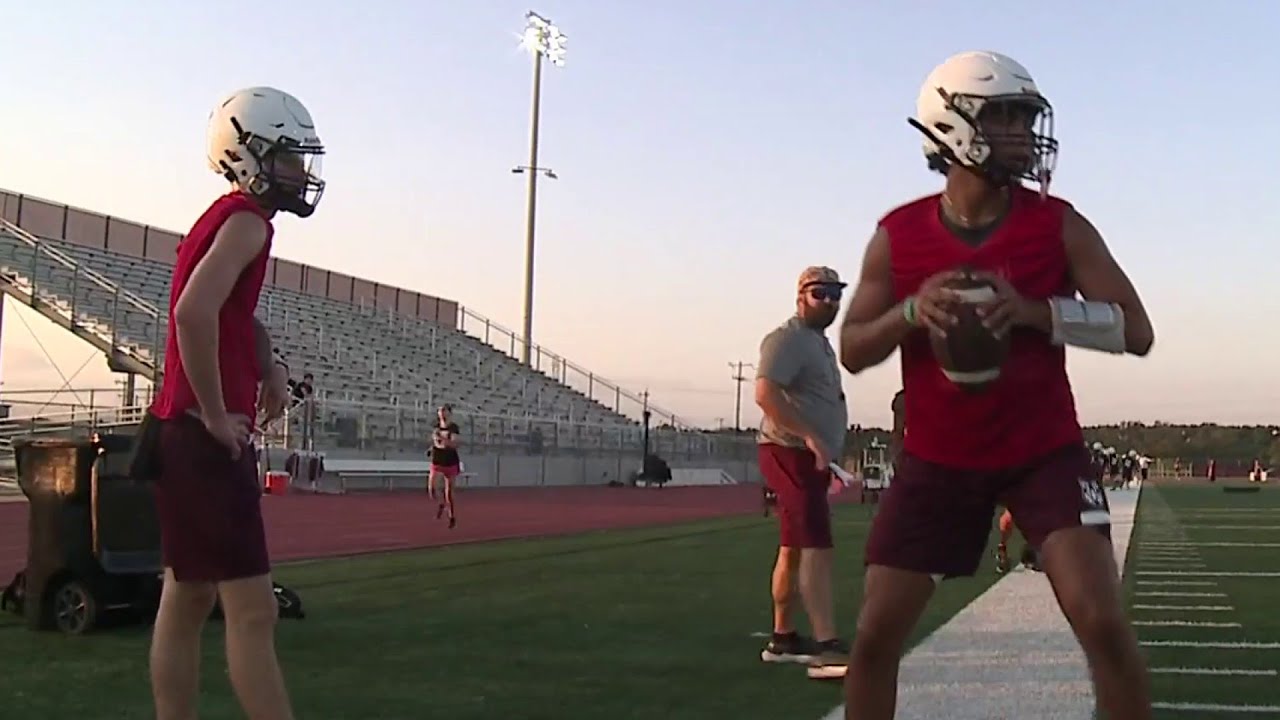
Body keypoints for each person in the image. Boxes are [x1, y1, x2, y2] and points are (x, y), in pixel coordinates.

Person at [837, 51, 1155, 719]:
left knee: (1102, 622)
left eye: (1025, 117)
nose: (1024, 134)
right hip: (937, 458)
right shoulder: (898, 236)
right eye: (1008, 116)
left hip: (1044, 449)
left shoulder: (1058, 223)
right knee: (873, 638)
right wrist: (913, 310)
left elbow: (1138, 329)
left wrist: (1037, 312)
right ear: (955, 126)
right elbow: (854, 349)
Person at [146, 86, 325, 720]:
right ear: (246, 154)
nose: (300, 172)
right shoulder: (248, 222)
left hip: (176, 434)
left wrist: (269, 364)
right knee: (252, 610)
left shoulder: (226, 217)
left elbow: (231, 314)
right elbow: (192, 312)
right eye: (287, 157)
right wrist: (219, 414)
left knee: (188, 599)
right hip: (200, 437)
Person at [754, 265, 851, 678]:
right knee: (816, 544)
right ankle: (827, 646)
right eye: (820, 293)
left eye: (835, 294)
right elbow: (765, 392)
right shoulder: (788, 339)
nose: (829, 301)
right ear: (800, 296)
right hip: (787, 450)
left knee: (794, 547)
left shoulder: (817, 343)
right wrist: (810, 436)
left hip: (805, 456)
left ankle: (783, 637)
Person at [429, 405, 462, 528]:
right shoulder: (435, 426)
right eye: (439, 410)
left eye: (444, 410)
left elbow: (454, 444)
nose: (441, 413)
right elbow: (435, 442)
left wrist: (441, 438)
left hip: (450, 461)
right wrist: (431, 447)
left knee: (449, 493)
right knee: (432, 489)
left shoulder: (453, 428)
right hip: (437, 459)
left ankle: (452, 516)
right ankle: (441, 504)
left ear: (449, 413)